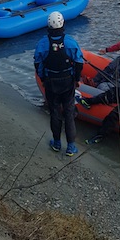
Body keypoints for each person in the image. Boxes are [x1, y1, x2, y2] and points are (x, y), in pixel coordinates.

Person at [34, 11, 84, 156]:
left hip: (51, 82)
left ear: (48, 25)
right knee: (69, 113)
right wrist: (76, 79)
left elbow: (38, 63)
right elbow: (79, 62)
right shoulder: (70, 42)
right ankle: (71, 146)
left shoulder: (42, 43)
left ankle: (56, 143)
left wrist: (43, 79)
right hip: (67, 82)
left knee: (55, 112)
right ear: (63, 24)